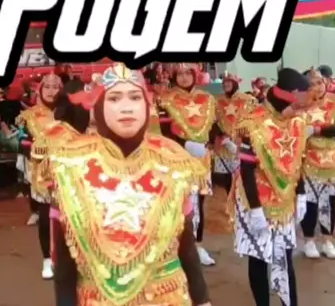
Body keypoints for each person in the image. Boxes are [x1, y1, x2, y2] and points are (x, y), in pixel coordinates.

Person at [50, 63, 212, 306]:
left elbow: (186, 248)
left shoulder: (173, 161)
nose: (126, 107)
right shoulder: (70, 165)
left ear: (146, 105)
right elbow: (63, 265)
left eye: (135, 97)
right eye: (114, 98)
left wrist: (203, 300)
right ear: (99, 106)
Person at [233, 68, 335, 306]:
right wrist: (255, 210)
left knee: (284, 256)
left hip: (285, 200)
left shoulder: (296, 122)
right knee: (259, 257)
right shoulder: (252, 121)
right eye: (297, 105)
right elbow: (247, 169)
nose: (300, 111)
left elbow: (296, 160)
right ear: (287, 97)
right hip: (255, 198)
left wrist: (300, 194)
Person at [159, 63, 218, 266]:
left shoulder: (207, 99)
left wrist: (213, 143)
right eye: (180, 74)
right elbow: (164, 132)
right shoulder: (166, 100)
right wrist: (185, 145)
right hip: (177, 159)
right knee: (178, 203)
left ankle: (197, 246)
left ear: (195, 75)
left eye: (188, 73)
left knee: (199, 203)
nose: (184, 77)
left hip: (202, 159)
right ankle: (176, 246)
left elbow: (214, 126)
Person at [16, 73, 62, 279]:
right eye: (47, 87)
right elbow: (23, 140)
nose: (51, 91)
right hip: (42, 173)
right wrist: (27, 154)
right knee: (45, 219)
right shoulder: (30, 115)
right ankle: (47, 259)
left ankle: (67, 259)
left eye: (56, 87)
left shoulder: (70, 112)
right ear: (40, 90)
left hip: (68, 171)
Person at [300, 68, 335, 260]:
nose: (318, 87)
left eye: (320, 82)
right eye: (312, 84)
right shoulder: (301, 104)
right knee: (310, 202)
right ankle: (309, 241)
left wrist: (317, 130)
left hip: (333, 160)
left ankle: (327, 241)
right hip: (309, 160)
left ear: (325, 83)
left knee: (329, 202)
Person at [213, 72, 256, 194]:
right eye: (224, 82)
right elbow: (212, 119)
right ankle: (230, 198)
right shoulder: (217, 100)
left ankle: (241, 201)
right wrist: (218, 133)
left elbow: (252, 121)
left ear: (235, 84)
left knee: (241, 176)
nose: (226, 84)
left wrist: (242, 138)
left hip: (239, 143)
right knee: (226, 177)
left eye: (229, 82)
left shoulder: (247, 100)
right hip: (223, 143)